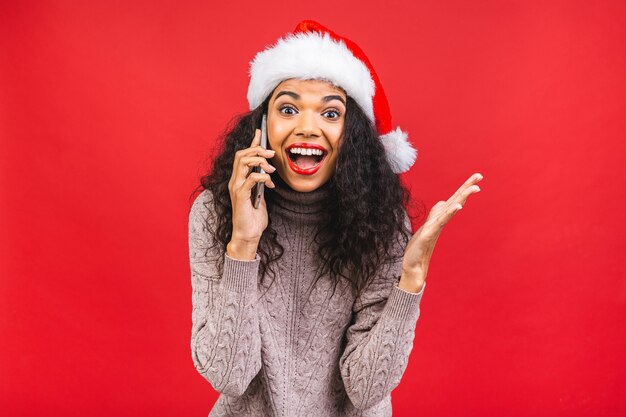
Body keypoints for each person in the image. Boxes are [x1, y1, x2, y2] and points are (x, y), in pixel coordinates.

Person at [188, 20, 483, 417]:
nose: (307, 128)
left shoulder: (384, 227)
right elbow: (230, 376)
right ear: (260, 127)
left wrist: (410, 281)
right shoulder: (213, 212)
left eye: (330, 113)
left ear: (353, 136)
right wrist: (242, 244)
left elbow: (365, 391)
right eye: (288, 108)